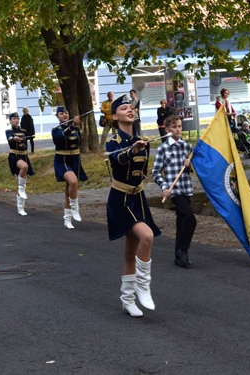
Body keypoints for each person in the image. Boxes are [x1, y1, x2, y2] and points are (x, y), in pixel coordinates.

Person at [106, 94, 161, 317]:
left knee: (130, 252)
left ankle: (127, 299)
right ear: (115, 115)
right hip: (120, 198)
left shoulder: (143, 140)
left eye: (132, 108)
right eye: (124, 108)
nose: (130, 110)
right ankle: (143, 286)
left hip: (138, 197)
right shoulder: (113, 141)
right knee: (146, 236)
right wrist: (133, 150)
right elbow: (116, 160)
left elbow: (141, 174)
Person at [151, 115, 196, 268]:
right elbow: (155, 172)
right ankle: (183, 250)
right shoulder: (163, 148)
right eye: (175, 127)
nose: (178, 129)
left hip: (186, 188)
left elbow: (193, 169)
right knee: (190, 218)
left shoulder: (186, 146)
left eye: (179, 126)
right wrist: (164, 187)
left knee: (182, 221)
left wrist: (189, 165)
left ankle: (179, 255)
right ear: (167, 129)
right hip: (174, 190)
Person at [51, 106, 87, 229]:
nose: (64, 115)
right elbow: (61, 137)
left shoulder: (75, 129)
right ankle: (75, 207)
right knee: (73, 181)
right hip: (62, 160)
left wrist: (74, 127)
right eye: (61, 113)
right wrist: (72, 126)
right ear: (57, 116)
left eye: (66, 112)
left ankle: (67, 219)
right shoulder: (56, 129)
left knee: (69, 190)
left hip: (75, 159)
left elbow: (79, 142)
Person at [6, 112, 34, 216]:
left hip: (24, 156)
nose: (16, 120)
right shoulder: (9, 131)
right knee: (24, 167)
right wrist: (14, 138)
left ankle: (20, 207)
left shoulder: (23, 131)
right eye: (13, 118)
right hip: (14, 156)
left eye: (17, 118)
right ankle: (21, 191)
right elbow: (9, 138)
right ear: (10, 121)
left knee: (22, 183)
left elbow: (30, 134)